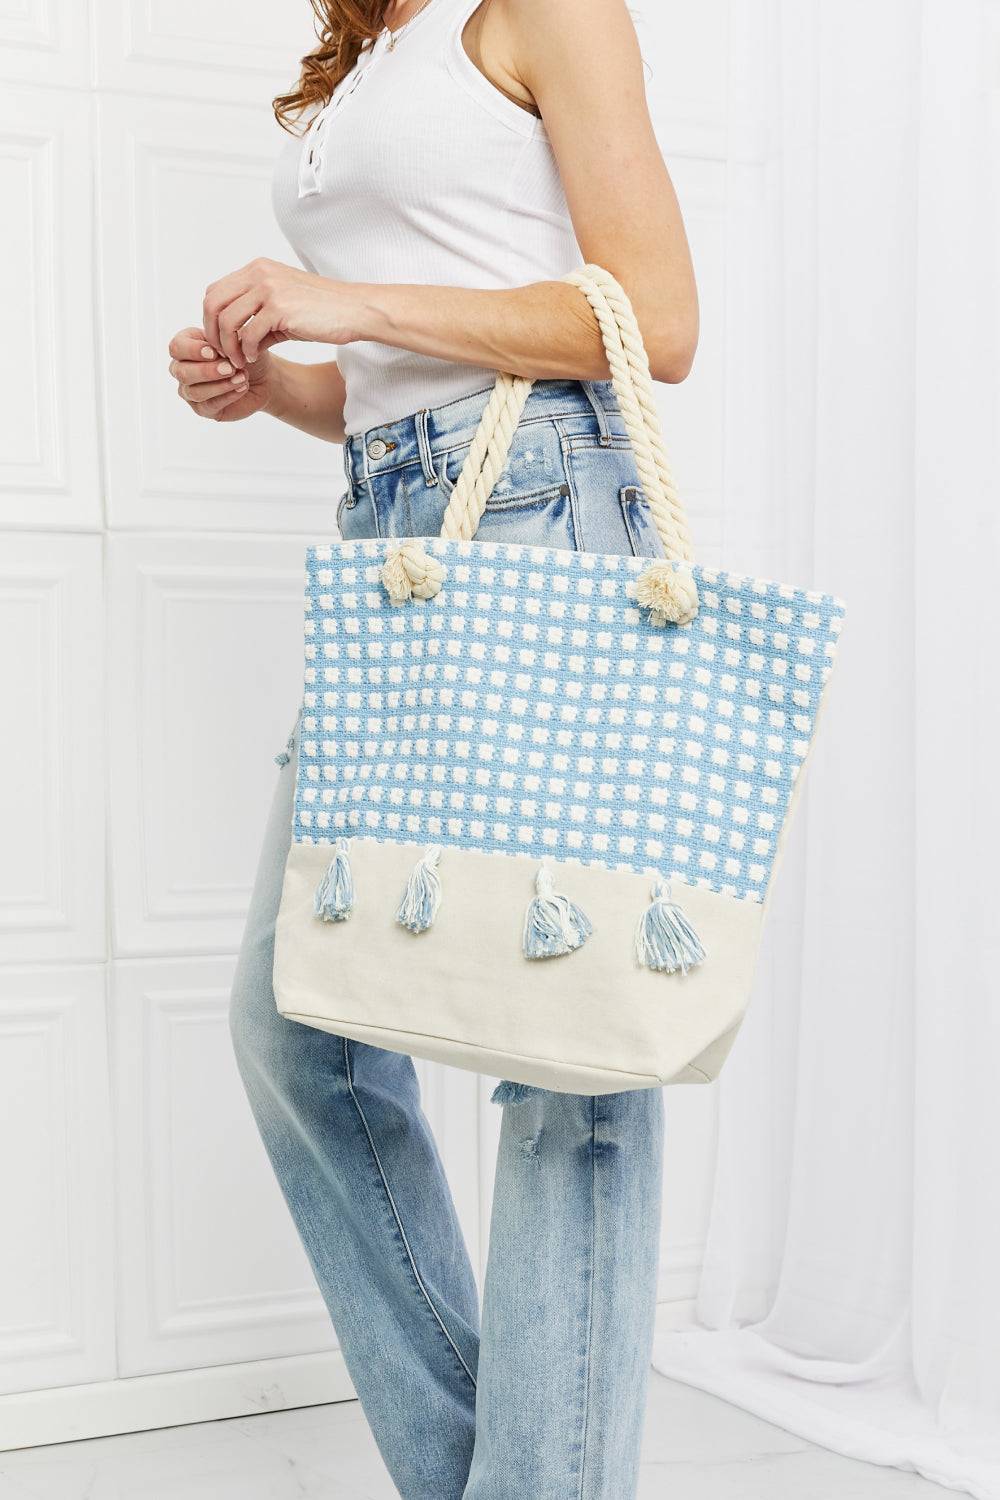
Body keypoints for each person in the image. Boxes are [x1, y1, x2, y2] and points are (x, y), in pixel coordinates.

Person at [167, 2, 697, 1494]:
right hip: (397, 524)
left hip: (540, 515)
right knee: (296, 1025)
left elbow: (652, 321)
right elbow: (394, 373)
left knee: (567, 1058)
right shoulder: (377, 40)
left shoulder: (545, 7)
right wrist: (280, 381)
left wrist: (353, 306)